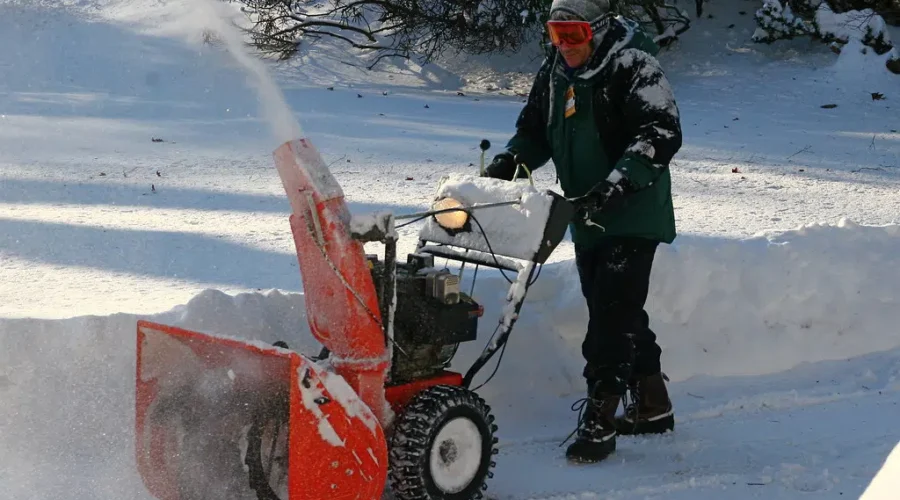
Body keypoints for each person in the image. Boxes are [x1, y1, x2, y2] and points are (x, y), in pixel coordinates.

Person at [484, 0, 682, 464]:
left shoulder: (635, 65)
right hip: (586, 212)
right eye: (557, 34)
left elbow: (661, 130)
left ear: (596, 30)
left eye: (573, 34)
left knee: (611, 315)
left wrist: (620, 181)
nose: (565, 45)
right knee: (616, 307)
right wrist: (510, 162)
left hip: (632, 211)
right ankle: (653, 406)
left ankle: (600, 418)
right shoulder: (555, 71)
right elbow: (533, 131)